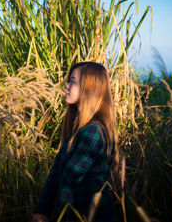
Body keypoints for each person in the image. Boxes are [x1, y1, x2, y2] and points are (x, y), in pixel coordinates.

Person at [32, 62, 119, 222]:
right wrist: (42, 210)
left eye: (73, 81)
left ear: (89, 88)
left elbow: (69, 181)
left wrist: (58, 218)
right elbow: (57, 172)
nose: (67, 85)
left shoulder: (94, 132)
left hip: (90, 216)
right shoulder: (78, 128)